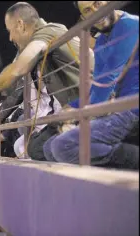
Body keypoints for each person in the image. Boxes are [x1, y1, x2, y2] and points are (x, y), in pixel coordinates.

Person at [0, 2, 92, 159]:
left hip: (85, 108)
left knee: (34, 147)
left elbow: (18, 68)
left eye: (10, 31)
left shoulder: (49, 31)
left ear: (21, 25)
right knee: (25, 144)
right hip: (66, 111)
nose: (10, 38)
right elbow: (15, 87)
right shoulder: (32, 44)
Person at [43, 1, 139, 169]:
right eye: (88, 10)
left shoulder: (130, 25)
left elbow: (108, 81)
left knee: (61, 147)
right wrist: (70, 107)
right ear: (84, 17)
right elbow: (98, 87)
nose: (96, 12)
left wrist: (77, 116)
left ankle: (133, 157)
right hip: (117, 109)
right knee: (49, 148)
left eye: (97, 3)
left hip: (132, 109)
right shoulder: (101, 40)